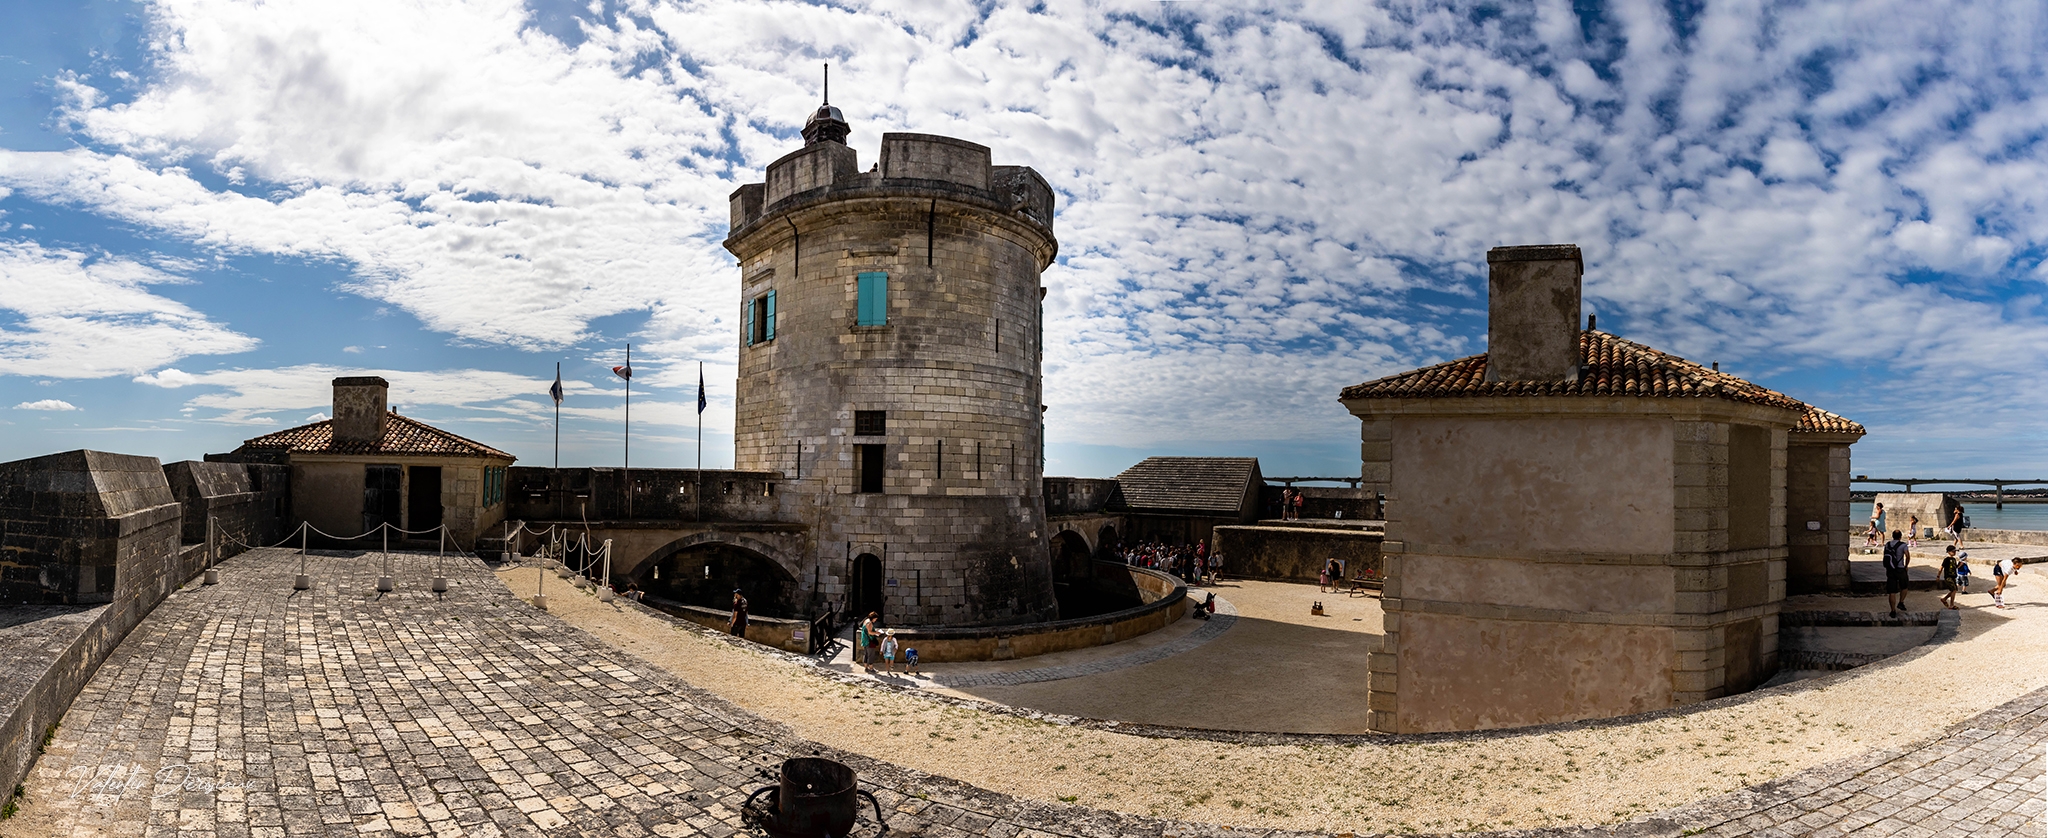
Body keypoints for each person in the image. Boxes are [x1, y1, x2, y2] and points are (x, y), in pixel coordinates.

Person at [1882, 530, 1910, 615]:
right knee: (1904, 586)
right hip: (1900, 568)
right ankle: (1901, 602)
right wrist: (1906, 565)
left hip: (1890, 569)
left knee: (1892, 591)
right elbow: (1907, 555)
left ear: (1892, 536)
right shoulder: (1903, 545)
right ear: (1900, 536)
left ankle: (1893, 610)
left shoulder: (1888, 544)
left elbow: (1885, 555)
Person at [1939, 546, 1960, 610]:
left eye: (1955, 551)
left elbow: (1955, 567)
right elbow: (1941, 568)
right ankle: (1951, 605)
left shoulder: (1954, 559)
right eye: (1953, 551)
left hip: (1953, 576)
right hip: (1948, 577)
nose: (1954, 552)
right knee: (1953, 590)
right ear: (1948, 552)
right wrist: (1938, 576)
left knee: (1954, 590)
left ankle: (1944, 599)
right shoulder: (1946, 559)